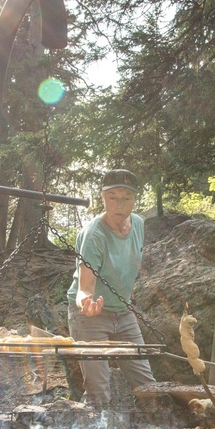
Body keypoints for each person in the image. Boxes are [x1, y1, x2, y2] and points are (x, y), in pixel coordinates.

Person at [66, 169, 156, 408]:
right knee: (99, 392)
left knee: (148, 387)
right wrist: (85, 304)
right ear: (103, 198)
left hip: (124, 313)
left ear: (135, 200)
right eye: (113, 197)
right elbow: (85, 288)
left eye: (126, 197)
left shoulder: (138, 224)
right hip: (90, 317)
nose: (119, 204)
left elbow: (128, 266)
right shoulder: (94, 234)